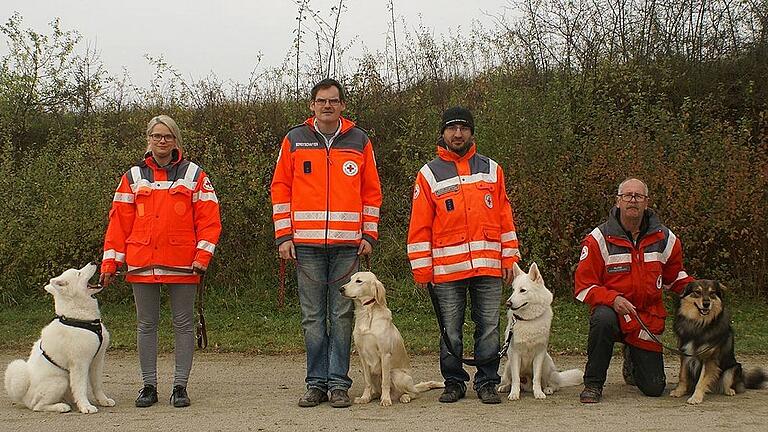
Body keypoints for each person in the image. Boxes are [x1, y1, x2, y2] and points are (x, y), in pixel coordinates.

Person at [271, 78, 382, 408]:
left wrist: (369, 234)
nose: (328, 106)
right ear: (312, 105)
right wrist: (284, 235)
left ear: (343, 105)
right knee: (313, 318)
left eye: (334, 101)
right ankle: (316, 383)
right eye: (322, 101)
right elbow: (281, 189)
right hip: (305, 244)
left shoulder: (359, 140)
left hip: (348, 245)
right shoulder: (294, 139)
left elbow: (371, 192)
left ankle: (338, 384)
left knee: (343, 316)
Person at [99, 115, 221, 408]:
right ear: (148, 140)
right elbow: (118, 223)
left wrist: (202, 256)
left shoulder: (194, 174)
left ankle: (180, 386)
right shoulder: (132, 176)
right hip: (142, 261)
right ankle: (148, 386)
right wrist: (110, 263)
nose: (162, 141)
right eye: (156, 136)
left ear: (176, 140)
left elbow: (210, 220)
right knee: (146, 325)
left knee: (183, 324)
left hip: (184, 262)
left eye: (167, 136)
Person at [406, 106, 521, 404]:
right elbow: (420, 225)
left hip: (488, 265)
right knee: (450, 331)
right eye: (452, 128)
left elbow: (505, 216)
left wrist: (510, 257)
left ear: (472, 132)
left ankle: (486, 381)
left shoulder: (492, 169)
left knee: (489, 328)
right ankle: (454, 381)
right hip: (446, 269)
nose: (458, 134)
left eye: (463, 128)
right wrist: (422, 268)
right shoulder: (428, 173)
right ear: (442, 133)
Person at [574, 178, 694, 403]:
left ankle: (632, 361)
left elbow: (674, 277)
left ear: (646, 203)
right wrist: (613, 298)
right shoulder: (597, 239)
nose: (632, 200)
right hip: (615, 313)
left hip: (645, 319)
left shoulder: (666, 239)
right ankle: (593, 383)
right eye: (627, 196)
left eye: (638, 196)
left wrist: (700, 290)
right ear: (618, 201)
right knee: (602, 318)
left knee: (654, 388)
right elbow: (584, 286)